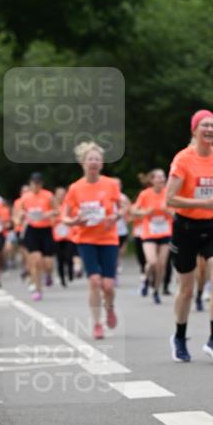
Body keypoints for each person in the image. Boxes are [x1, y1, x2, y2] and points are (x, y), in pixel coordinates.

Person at [165, 109, 213, 362]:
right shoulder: (183, 159)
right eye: (204, 125)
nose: (209, 129)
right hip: (185, 229)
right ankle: (179, 337)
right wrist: (201, 203)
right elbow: (169, 198)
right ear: (194, 130)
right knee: (186, 289)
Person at [62, 142, 121, 339]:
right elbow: (65, 216)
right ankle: (97, 323)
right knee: (94, 281)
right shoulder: (75, 188)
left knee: (108, 285)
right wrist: (74, 221)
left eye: (97, 159)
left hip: (108, 239)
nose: (94, 162)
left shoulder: (111, 184)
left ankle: (109, 308)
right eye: (90, 159)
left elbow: (123, 208)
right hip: (86, 238)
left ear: (102, 164)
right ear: (83, 163)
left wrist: (115, 216)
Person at [133, 169, 173, 304]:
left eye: (164, 177)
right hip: (149, 233)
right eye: (159, 177)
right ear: (152, 180)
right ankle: (145, 279)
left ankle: (156, 290)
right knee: (152, 262)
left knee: (162, 265)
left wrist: (168, 211)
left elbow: (177, 213)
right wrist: (145, 212)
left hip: (165, 232)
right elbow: (134, 211)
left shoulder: (169, 193)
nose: (162, 179)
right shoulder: (145, 194)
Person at [17, 173, 57, 300]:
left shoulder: (48, 195)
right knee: (36, 261)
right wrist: (23, 215)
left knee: (48, 263)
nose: (36, 185)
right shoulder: (25, 197)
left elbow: (57, 210)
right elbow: (20, 212)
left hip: (45, 230)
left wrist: (45, 214)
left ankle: (49, 274)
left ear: (41, 184)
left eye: (38, 183)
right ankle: (37, 290)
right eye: (34, 183)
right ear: (30, 184)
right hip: (32, 230)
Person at [52, 186, 77, 287]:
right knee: (60, 259)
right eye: (59, 194)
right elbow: (50, 222)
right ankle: (62, 279)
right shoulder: (53, 207)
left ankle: (70, 273)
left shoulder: (69, 206)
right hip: (57, 237)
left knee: (69, 257)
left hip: (69, 236)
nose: (61, 196)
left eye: (63, 194)